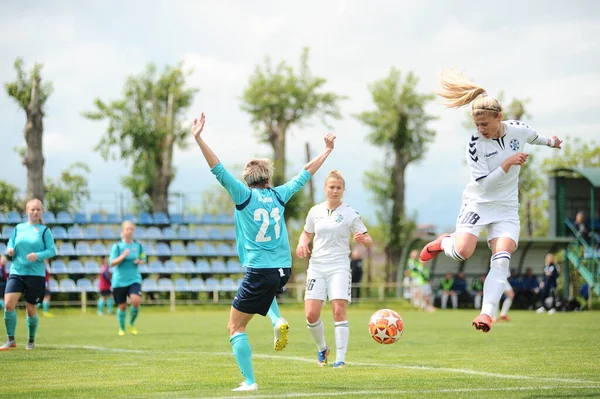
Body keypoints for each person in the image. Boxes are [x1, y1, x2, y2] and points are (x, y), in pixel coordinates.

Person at [191, 113, 335, 391]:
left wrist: (198, 138)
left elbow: (217, 168)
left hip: (259, 270)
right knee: (265, 293)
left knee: (235, 328)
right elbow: (306, 172)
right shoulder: (280, 195)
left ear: (247, 179)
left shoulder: (243, 196)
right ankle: (277, 318)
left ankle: (249, 382)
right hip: (283, 270)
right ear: (268, 178)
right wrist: (327, 150)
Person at [419, 71, 563, 333]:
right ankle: (444, 241)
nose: (480, 129)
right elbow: (484, 184)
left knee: (502, 261)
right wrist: (507, 163)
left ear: (499, 117)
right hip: (479, 202)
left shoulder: (518, 130)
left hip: (507, 209)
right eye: (477, 125)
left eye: (485, 124)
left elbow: (535, 138)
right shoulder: (475, 144)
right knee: (463, 251)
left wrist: (552, 142)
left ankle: (486, 314)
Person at [297, 170, 373, 369]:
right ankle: (323, 348)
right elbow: (306, 233)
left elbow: (368, 240)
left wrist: (363, 239)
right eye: (331, 187)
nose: (335, 190)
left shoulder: (350, 213)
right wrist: (302, 244)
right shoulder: (315, 211)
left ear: (343, 190)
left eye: (339, 187)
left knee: (338, 310)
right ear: (325, 189)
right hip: (316, 266)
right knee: (311, 315)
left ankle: (340, 359)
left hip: (339, 266)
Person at [1, 199, 56, 350]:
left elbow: (52, 251)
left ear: (41, 212)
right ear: (26, 211)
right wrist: (10, 249)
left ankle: (31, 341)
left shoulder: (45, 230)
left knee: (31, 309)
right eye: (32, 209)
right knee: (8, 304)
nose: (35, 212)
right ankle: (11, 340)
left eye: (38, 209)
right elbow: (11, 243)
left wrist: (37, 255)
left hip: (36, 275)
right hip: (16, 272)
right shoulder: (18, 228)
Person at [109, 221, 145, 336]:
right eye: (127, 229)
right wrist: (123, 256)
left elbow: (143, 258)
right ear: (122, 231)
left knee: (136, 301)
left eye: (132, 229)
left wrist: (140, 261)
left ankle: (131, 323)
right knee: (122, 306)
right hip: (119, 280)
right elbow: (112, 263)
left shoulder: (138, 246)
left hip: (134, 278)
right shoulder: (117, 246)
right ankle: (122, 327)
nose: (130, 231)